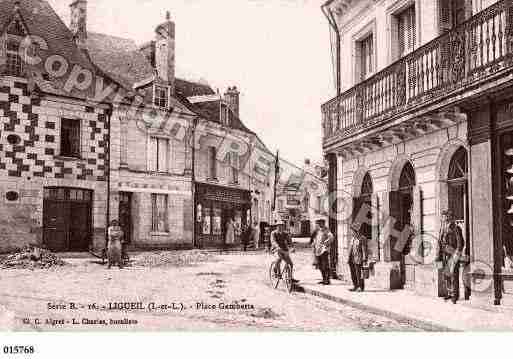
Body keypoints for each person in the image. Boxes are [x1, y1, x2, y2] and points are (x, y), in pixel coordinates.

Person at [439, 210, 464, 303]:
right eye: (443, 217)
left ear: (449, 217)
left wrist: (457, 254)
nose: (444, 219)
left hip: (453, 255)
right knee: (446, 275)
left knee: (454, 275)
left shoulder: (456, 228)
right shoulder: (443, 228)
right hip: (445, 255)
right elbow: (440, 241)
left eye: (445, 217)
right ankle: (449, 293)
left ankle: (455, 295)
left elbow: (460, 243)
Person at [312, 219, 334, 285]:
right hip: (318, 250)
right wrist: (314, 244)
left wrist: (326, 243)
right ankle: (324, 279)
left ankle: (327, 280)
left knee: (325, 266)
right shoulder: (318, 231)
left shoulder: (326, 230)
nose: (318, 224)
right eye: (318, 223)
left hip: (324, 250)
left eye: (319, 223)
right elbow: (315, 239)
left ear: (323, 223)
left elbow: (331, 237)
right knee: (320, 266)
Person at [348, 227, 368, 292]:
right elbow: (350, 249)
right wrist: (348, 258)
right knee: (353, 273)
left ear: (356, 231)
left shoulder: (362, 238)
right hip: (352, 259)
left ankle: (361, 287)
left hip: (359, 258)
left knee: (359, 274)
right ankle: (355, 286)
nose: (351, 233)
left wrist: (365, 259)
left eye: (352, 231)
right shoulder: (353, 239)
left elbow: (364, 250)